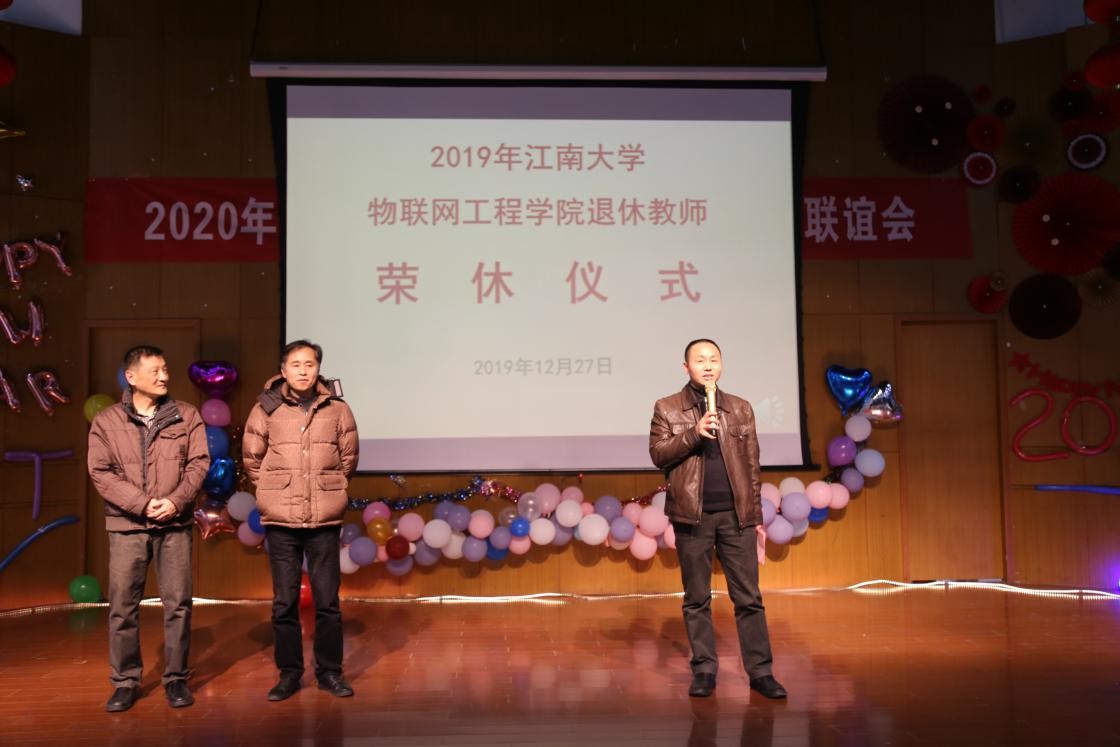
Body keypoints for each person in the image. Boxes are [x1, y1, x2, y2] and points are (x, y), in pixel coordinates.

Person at [648, 338, 787, 699]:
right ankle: (704, 669)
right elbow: (659, 454)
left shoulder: (740, 408)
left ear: (722, 364)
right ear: (686, 367)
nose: (707, 365)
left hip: (736, 517)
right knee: (697, 598)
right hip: (691, 516)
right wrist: (693, 433)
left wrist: (754, 515)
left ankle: (761, 672)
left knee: (749, 598)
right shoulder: (667, 407)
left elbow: (752, 465)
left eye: (713, 359)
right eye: (700, 360)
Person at [87, 344, 210, 712]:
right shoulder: (107, 421)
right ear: (131, 376)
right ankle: (125, 681)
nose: (163, 376)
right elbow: (100, 471)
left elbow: (199, 463)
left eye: (165, 369)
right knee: (123, 606)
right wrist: (142, 504)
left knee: (179, 604)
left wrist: (175, 501)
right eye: (155, 370)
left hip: (174, 523)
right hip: (127, 525)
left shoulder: (186, 415)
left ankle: (176, 679)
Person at [243, 340, 359, 701]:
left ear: (318, 369)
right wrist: (275, 491)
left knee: (328, 603)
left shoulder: (337, 409)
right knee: (284, 602)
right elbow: (252, 459)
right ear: (283, 371)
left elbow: (348, 458)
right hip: (281, 521)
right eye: (295, 364)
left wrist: (327, 488)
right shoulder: (265, 409)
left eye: (309, 364)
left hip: (324, 520)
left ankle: (330, 673)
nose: (303, 370)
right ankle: (289, 674)